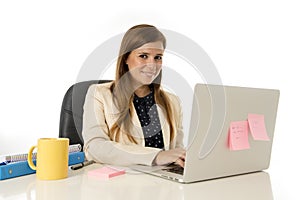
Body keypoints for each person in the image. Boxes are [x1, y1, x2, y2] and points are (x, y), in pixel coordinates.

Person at [82, 24, 186, 167]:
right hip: (120, 184)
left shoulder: (173, 102)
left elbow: (176, 151)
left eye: (158, 57)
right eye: (143, 56)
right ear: (125, 58)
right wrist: (156, 156)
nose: (152, 65)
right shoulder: (99, 94)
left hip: (164, 183)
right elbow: (94, 147)